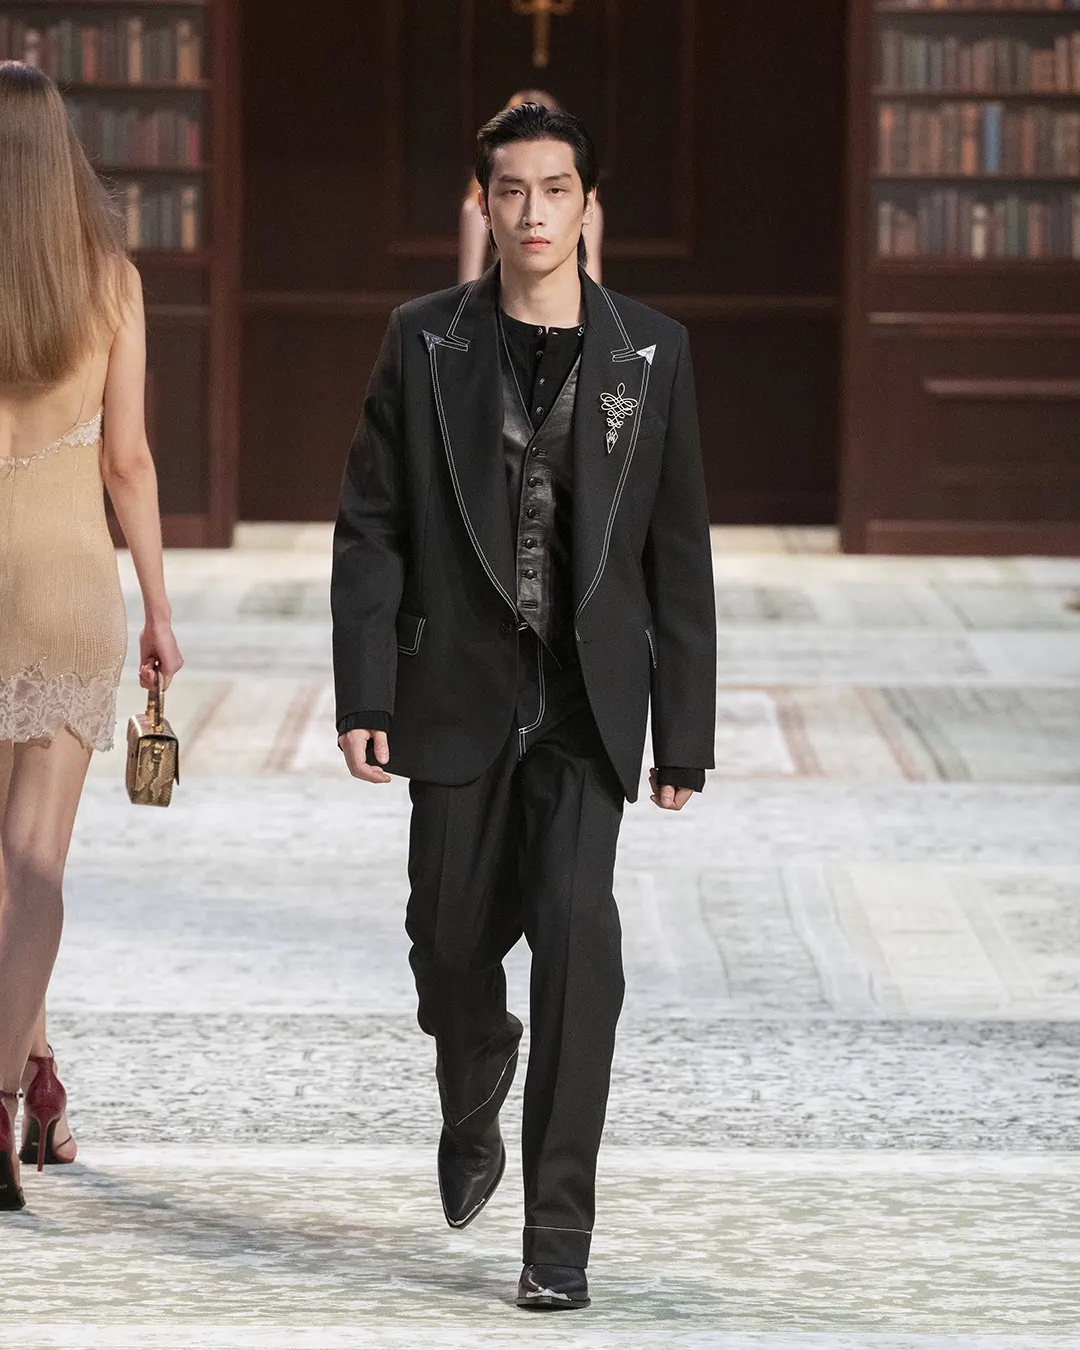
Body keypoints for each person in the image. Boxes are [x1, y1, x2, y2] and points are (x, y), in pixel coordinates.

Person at [333, 102, 715, 1309]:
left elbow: (678, 552)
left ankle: (558, 1239)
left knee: (576, 947)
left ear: (589, 206)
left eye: (557, 190)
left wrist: (684, 732)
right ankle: (476, 1056)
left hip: (586, 705)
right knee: (446, 946)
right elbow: (372, 525)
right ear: (483, 205)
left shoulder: (650, 352)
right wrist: (365, 688)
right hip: (456, 688)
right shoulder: (422, 341)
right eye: (512, 190)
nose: (535, 212)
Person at [0, 62, 183, 1211]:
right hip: (67, 584)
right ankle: (15, 1093)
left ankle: (35, 1078)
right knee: (33, 866)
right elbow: (127, 462)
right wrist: (159, 605)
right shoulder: (111, 281)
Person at [459, 90, 603, 284]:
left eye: (555, 190)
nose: (533, 216)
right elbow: (469, 279)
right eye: (514, 192)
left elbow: (591, 274)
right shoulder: (477, 208)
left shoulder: (587, 207)